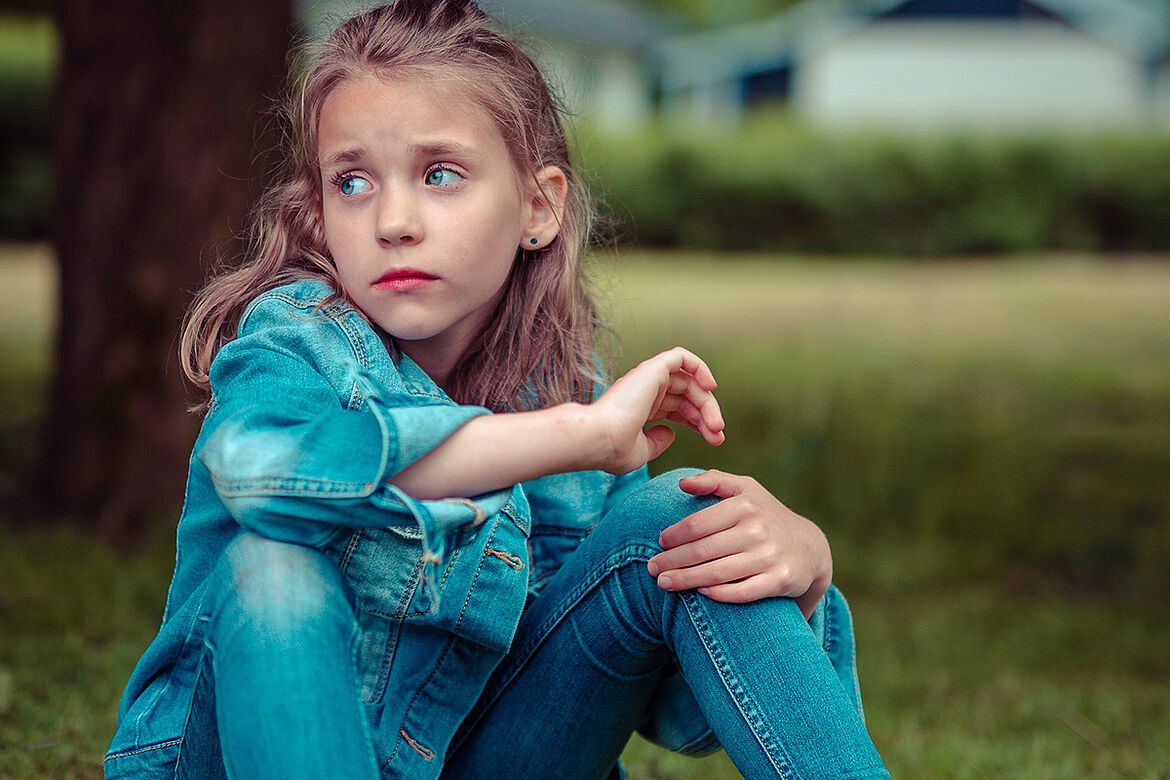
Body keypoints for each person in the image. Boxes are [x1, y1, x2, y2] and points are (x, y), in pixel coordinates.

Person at [104, 1, 889, 778]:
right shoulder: (293, 341)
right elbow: (260, 480)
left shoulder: (564, 385)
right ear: (315, 221)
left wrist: (807, 571)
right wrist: (576, 435)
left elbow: (675, 713)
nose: (394, 220)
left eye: (440, 174)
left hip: (481, 759)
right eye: (352, 182)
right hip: (231, 756)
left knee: (691, 524)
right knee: (273, 570)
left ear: (538, 207)